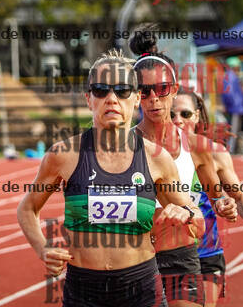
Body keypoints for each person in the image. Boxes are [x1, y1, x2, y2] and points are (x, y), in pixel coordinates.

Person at [17, 49, 205, 307]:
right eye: (101, 90)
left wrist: (187, 213)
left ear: (137, 98)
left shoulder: (157, 159)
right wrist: (42, 248)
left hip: (140, 288)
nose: (112, 99)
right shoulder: (63, 155)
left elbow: (196, 220)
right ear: (88, 99)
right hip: (83, 290)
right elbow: (27, 208)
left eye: (122, 90)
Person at [129, 27, 238, 307]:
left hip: (181, 256)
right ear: (135, 95)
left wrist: (225, 204)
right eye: (144, 91)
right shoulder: (123, 146)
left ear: (174, 90)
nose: (154, 98)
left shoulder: (197, 146)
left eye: (162, 89)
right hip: (135, 257)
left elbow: (216, 197)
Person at [171, 89, 243, 307]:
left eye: (185, 114)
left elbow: (238, 196)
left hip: (207, 253)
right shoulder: (154, 153)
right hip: (169, 253)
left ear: (196, 115)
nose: (178, 120)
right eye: (171, 115)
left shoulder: (214, 152)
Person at [221, 57, 243, 153]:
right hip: (235, 108)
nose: (239, 68)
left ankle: (232, 149)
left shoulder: (230, 76)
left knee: (234, 130)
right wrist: (234, 104)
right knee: (233, 131)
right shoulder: (230, 76)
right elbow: (228, 93)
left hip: (235, 107)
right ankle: (230, 151)